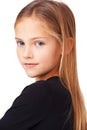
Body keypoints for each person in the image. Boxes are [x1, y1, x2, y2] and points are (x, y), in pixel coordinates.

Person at [0, 0, 87, 130]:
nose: (26, 54)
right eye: (21, 43)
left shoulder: (42, 94)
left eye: (39, 43)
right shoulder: (67, 98)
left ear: (66, 45)